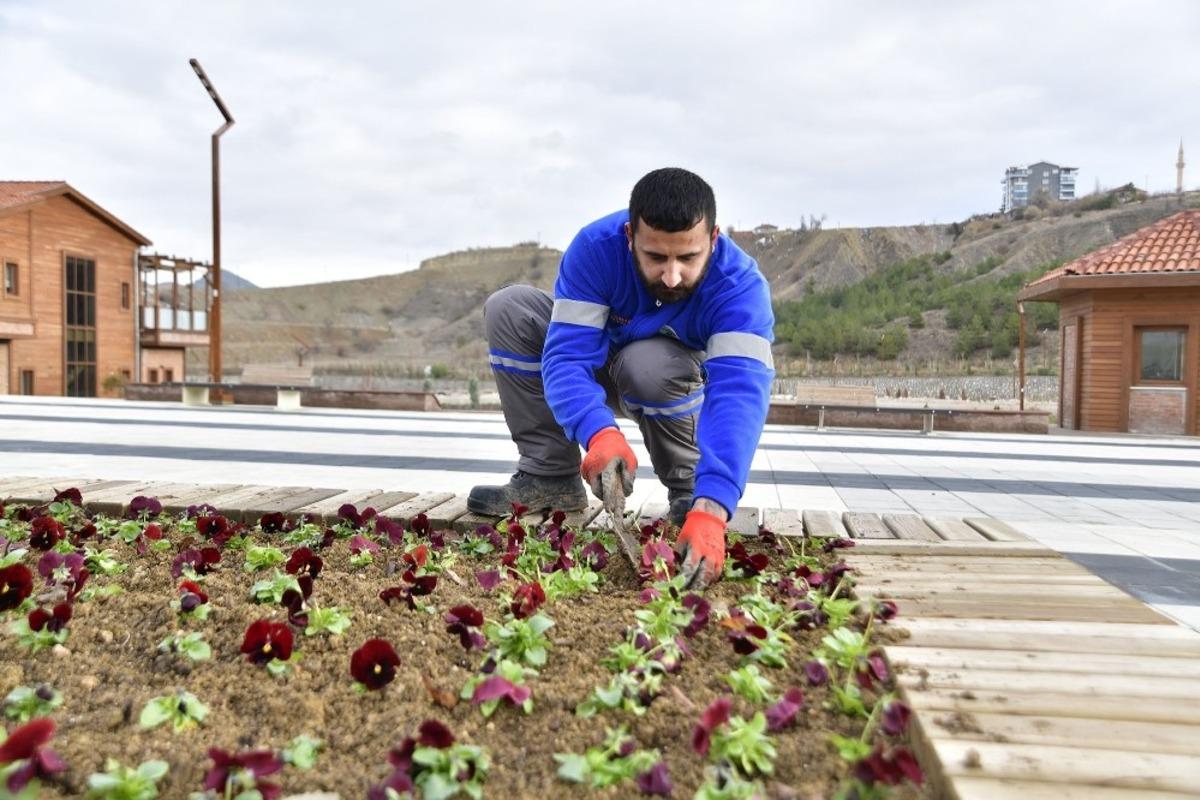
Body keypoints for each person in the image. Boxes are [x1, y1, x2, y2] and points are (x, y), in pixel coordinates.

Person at [468, 167, 774, 588]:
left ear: (714, 239)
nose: (671, 276)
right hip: (600, 368)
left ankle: (689, 490)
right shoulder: (595, 249)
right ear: (630, 236)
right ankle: (550, 476)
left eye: (688, 258)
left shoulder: (738, 287)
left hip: (662, 377)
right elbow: (567, 357)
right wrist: (598, 434)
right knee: (511, 309)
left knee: (648, 362)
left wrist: (715, 502)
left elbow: (739, 394)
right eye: (655, 257)